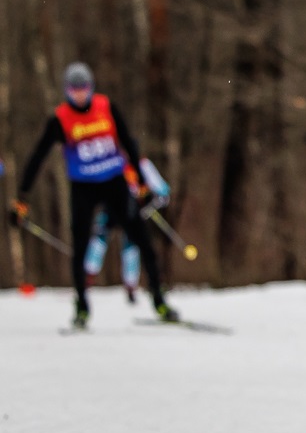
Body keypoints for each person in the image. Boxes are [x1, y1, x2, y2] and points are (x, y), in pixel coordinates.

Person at [9, 62, 179, 329]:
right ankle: (82, 306)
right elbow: (37, 157)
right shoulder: (61, 119)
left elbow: (128, 143)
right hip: (83, 186)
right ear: (67, 91)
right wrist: (23, 197)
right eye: (74, 90)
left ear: (91, 88)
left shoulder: (106, 108)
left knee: (142, 240)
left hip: (114, 182)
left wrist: (143, 185)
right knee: (80, 247)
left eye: (84, 89)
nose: (80, 95)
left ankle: (159, 300)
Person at [85, 158, 171, 303]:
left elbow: (163, 192)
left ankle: (131, 285)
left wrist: (150, 205)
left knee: (131, 243)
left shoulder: (143, 165)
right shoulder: (110, 162)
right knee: (99, 236)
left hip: (133, 208)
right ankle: (88, 274)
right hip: (111, 207)